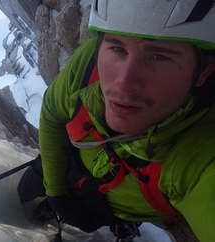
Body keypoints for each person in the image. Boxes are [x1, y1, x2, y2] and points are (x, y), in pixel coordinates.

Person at [18, 0, 215, 241]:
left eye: (160, 57)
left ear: (204, 70)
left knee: (84, 218)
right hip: (67, 161)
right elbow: (51, 112)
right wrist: (56, 191)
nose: (123, 84)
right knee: (23, 190)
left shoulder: (201, 152)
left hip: (105, 208)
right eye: (118, 49)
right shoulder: (88, 66)